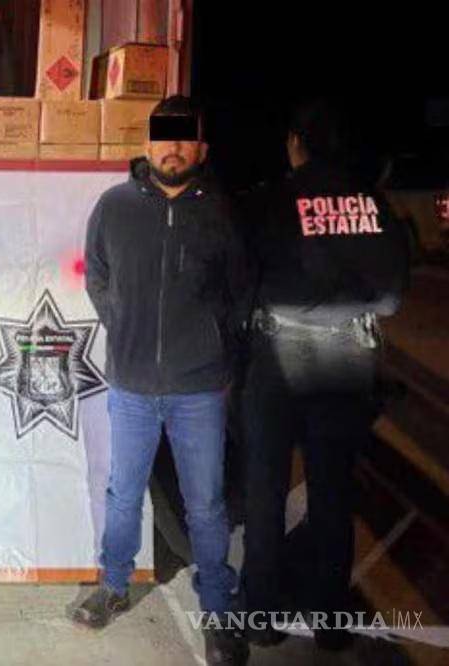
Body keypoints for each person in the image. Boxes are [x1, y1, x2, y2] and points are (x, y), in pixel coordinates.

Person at [75, 96, 248, 665]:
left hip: (199, 389)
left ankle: (218, 610)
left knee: (206, 505)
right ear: (148, 144)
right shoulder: (114, 207)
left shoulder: (222, 213)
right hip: (131, 386)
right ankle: (113, 585)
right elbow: (97, 277)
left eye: (184, 138)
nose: (173, 148)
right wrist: (123, 323)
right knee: (123, 494)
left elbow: (239, 294)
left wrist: (213, 349)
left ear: (202, 148)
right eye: (163, 137)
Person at [239, 101, 408, 651]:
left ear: (296, 142)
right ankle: (330, 620)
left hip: (277, 354)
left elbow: (240, 281)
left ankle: (260, 615)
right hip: (344, 359)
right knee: (333, 492)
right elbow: (391, 298)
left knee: (264, 489)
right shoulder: (371, 205)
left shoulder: (270, 200)